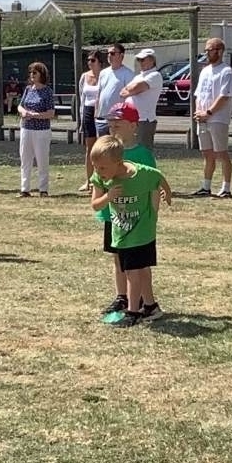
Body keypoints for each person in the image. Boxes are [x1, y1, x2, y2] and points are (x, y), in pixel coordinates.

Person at [90, 135, 172, 325]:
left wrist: (167, 193)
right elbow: (95, 205)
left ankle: (132, 312)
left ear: (118, 162)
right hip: (121, 233)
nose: (99, 171)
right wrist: (108, 197)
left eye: (103, 168)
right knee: (139, 271)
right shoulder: (101, 178)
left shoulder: (140, 173)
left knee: (133, 273)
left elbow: (158, 177)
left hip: (142, 231)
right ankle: (151, 307)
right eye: (95, 167)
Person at [95, 102, 160, 316]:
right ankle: (122, 297)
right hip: (114, 217)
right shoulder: (106, 152)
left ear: (133, 126)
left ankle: (143, 300)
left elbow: (153, 187)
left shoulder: (143, 155)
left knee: (139, 264)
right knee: (118, 258)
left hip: (137, 219)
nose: (113, 129)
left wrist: (152, 215)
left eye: (118, 125)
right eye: (111, 126)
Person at [191, 37, 232, 198]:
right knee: (207, 153)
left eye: (209, 50)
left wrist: (208, 112)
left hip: (218, 119)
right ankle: (206, 186)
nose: (207, 53)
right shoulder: (205, 71)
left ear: (219, 51)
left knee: (221, 153)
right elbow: (198, 94)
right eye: (206, 50)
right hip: (202, 119)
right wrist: (198, 112)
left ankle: (226, 187)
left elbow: (224, 96)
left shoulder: (226, 71)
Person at [17, 61, 55, 197]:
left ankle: (43, 189)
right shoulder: (28, 89)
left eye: (35, 72)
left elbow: (51, 113)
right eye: (31, 72)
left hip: (41, 131)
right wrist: (23, 112)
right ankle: (24, 189)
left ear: (41, 74)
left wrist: (36, 115)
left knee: (42, 160)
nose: (32, 75)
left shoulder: (47, 91)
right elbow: (20, 105)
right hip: (26, 128)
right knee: (25, 159)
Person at [122, 48, 164, 151]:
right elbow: (123, 92)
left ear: (152, 60)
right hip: (132, 119)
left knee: (143, 151)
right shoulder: (138, 76)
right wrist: (133, 90)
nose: (140, 62)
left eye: (143, 59)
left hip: (144, 120)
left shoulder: (155, 75)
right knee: (130, 149)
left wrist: (133, 90)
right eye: (139, 60)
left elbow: (135, 87)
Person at [95, 44, 135, 122]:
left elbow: (130, 98)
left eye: (112, 53)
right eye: (108, 53)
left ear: (121, 55)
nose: (109, 55)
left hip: (118, 119)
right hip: (101, 118)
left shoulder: (128, 74)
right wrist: (96, 113)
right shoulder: (103, 73)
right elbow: (98, 95)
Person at [77, 51, 104, 160]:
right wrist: (81, 117)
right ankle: (89, 171)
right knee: (90, 147)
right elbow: (81, 97)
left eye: (93, 60)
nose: (89, 62)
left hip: (101, 111)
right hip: (88, 111)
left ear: (99, 62)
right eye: (88, 60)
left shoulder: (105, 75)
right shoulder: (84, 76)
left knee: (102, 146)